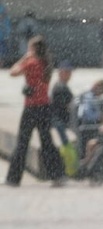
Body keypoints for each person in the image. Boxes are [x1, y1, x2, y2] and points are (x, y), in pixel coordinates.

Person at [4, 36, 66, 187]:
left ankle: (13, 178)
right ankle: (57, 175)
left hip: (31, 108)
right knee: (47, 142)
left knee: (22, 143)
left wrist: (23, 58)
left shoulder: (31, 62)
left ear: (33, 49)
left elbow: (12, 72)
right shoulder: (46, 64)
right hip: (44, 107)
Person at [74, 79, 103, 161]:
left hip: (89, 123)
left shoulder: (97, 98)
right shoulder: (88, 96)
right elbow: (85, 112)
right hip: (85, 124)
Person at [49, 63, 75, 146]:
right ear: (60, 73)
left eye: (70, 72)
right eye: (66, 72)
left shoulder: (61, 86)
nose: (69, 75)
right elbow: (67, 106)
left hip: (60, 119)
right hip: (61, 120)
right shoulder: (60, 87)